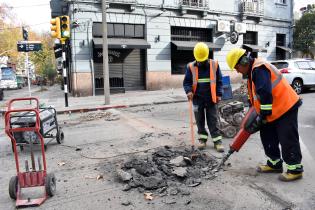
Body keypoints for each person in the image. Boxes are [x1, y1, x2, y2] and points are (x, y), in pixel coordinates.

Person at [226, 48, 304, 181]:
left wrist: (263, 115)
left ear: (244, 61)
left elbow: (266, 93)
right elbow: (257, 97)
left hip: (285, 106)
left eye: (237, 67)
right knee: (267, 135)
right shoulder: (252, 71)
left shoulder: (259, 69)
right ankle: (274, 163)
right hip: (273, 109)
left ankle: (295, 168)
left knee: (287, 137)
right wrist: (255, 114)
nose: (238, 71)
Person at [183, 42, 224, 152]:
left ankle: (217, 141)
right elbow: (186, 82)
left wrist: (219, 94)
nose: (200, 62)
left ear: (207, 56)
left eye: (202, 60)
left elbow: (220, 81)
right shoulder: (191, 67)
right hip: (197, 99)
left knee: (213, 120)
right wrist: (188, 91)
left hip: (211, 99)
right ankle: (202, 139)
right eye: (199, 60)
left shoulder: (214, 64)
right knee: (199, 120)